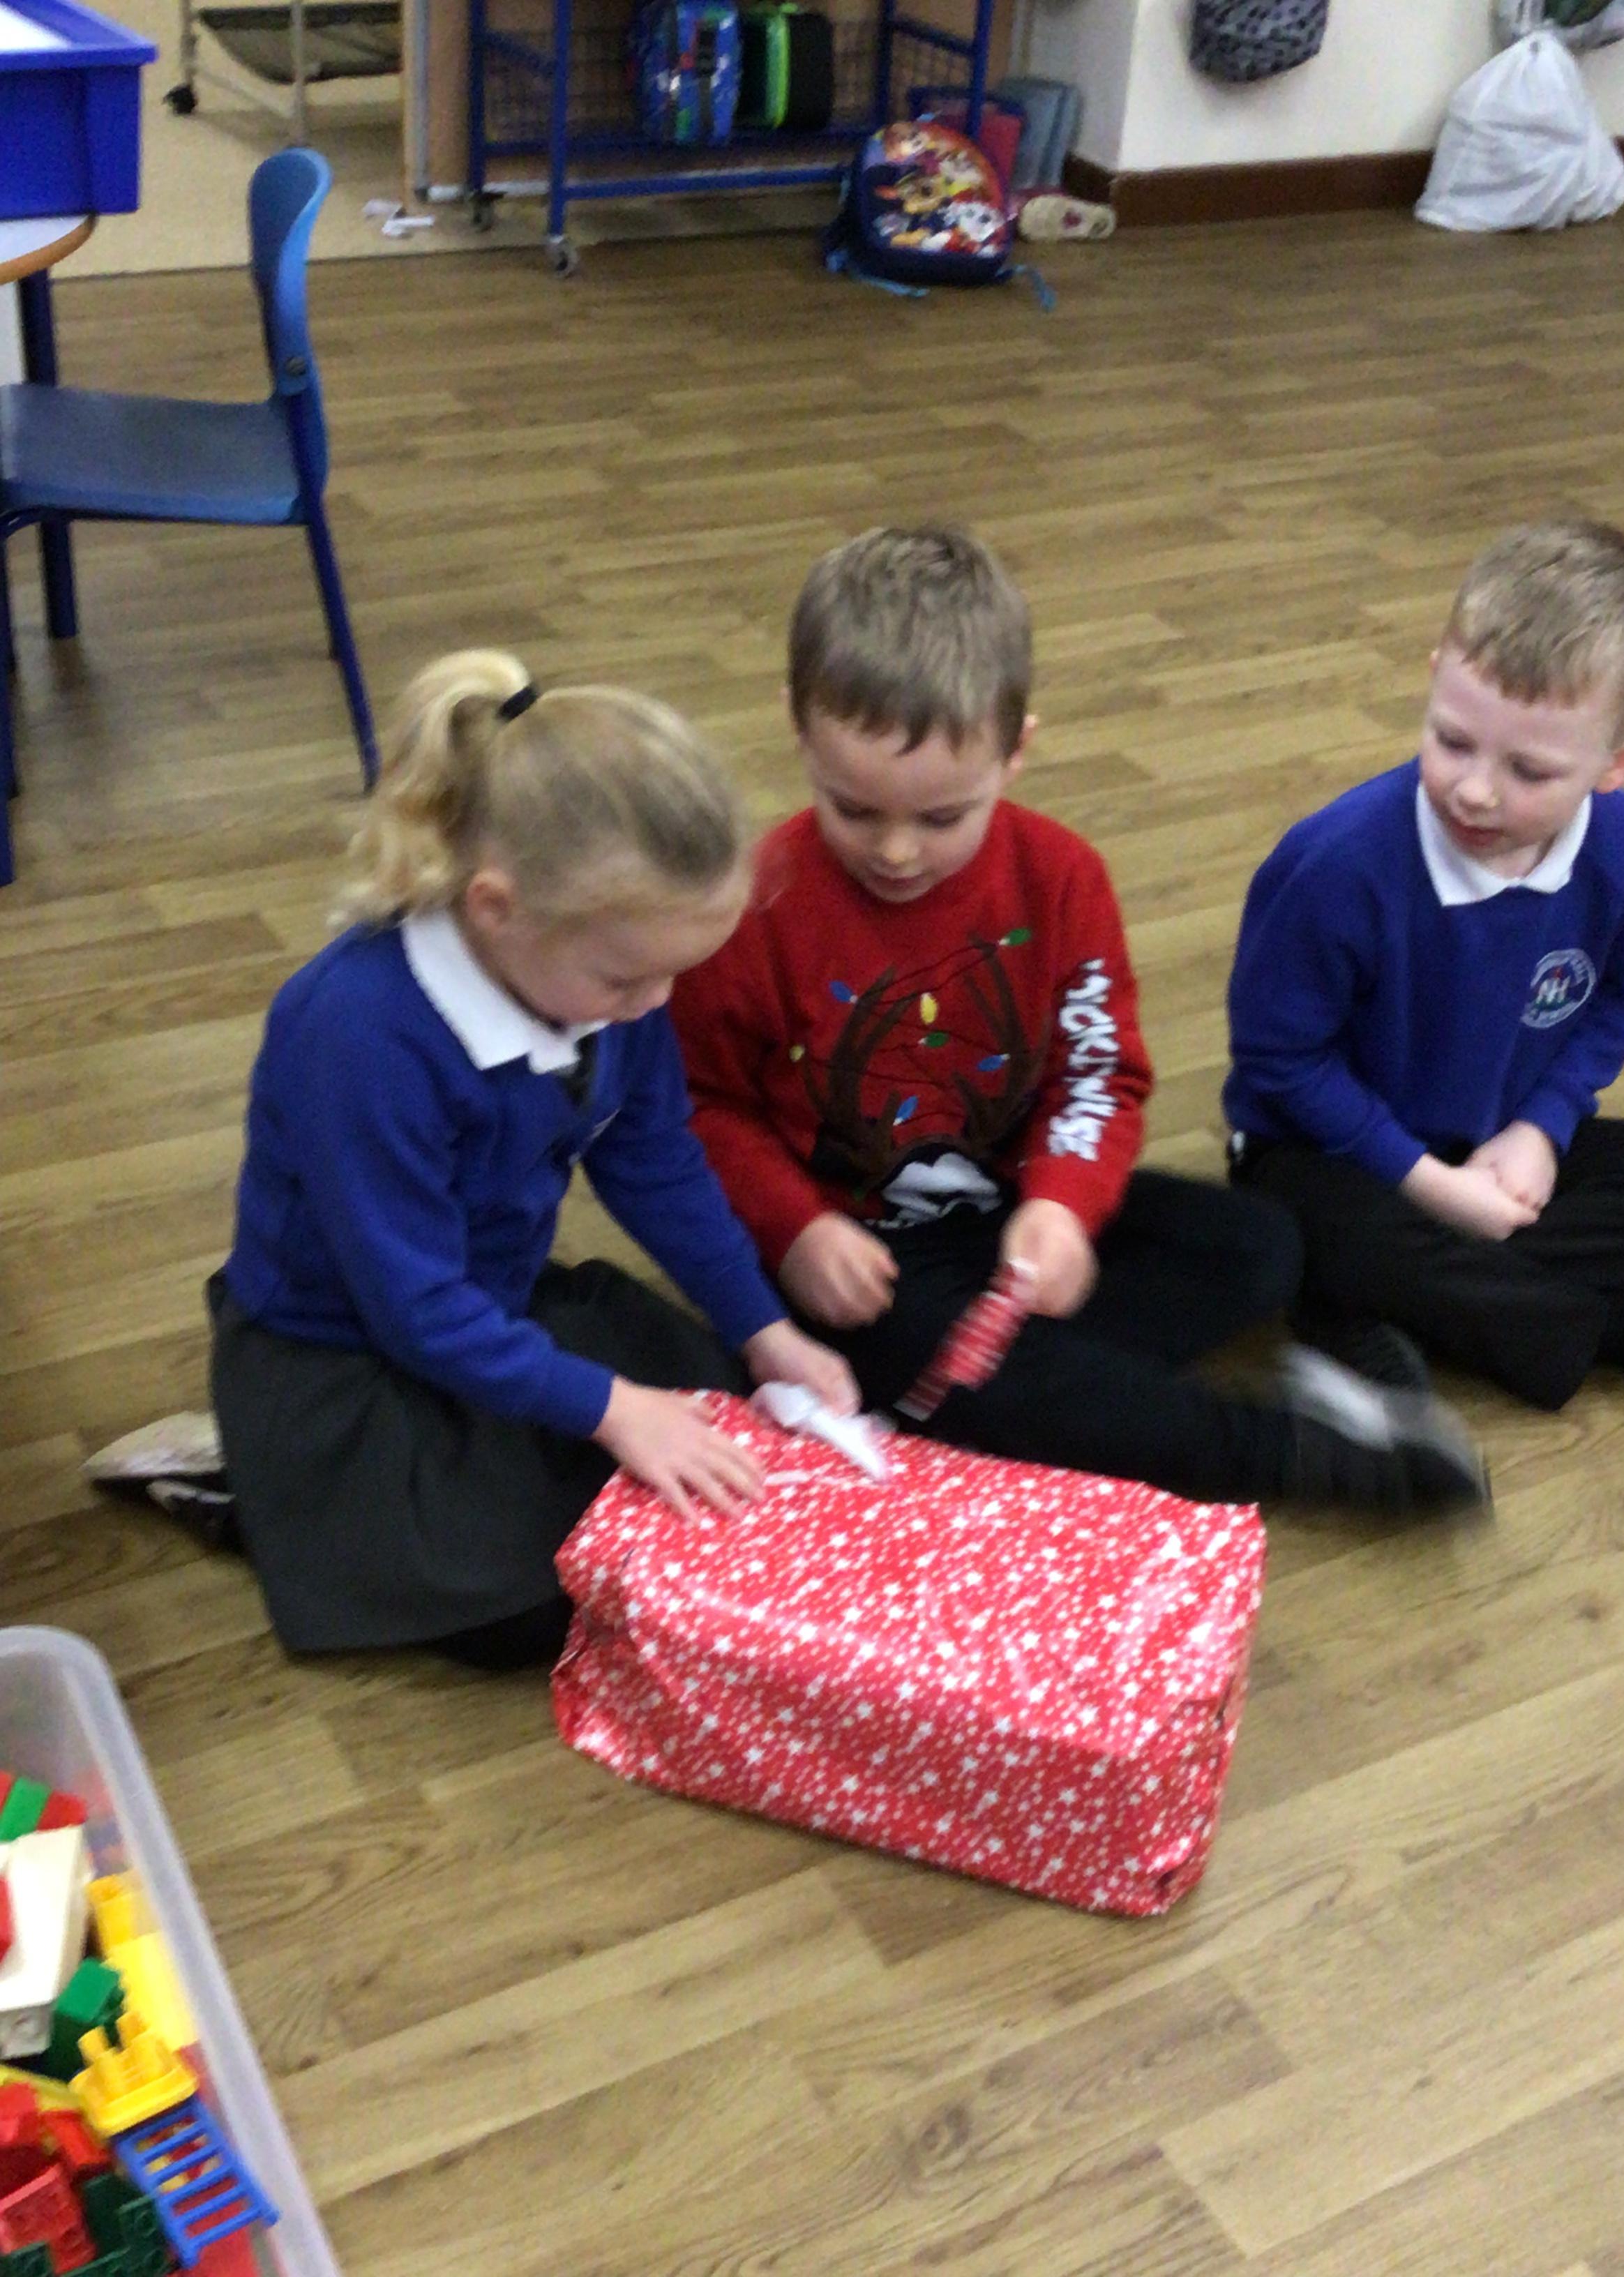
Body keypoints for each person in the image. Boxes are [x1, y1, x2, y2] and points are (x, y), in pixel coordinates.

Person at [670, 525, 1487, 1514]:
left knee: (1260, 1248)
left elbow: (1096, 1075)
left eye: (941, 818)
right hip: (863, 1262)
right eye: (855, 810)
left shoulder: (1061, 879)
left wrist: (1063, 1205)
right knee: (947, 1356)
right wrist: (796, 1230)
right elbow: (700, 1109)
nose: (896, 853)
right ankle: (1284, 1452)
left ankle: (999, 1399)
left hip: (1010, 1220)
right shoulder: (752, 906)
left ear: (1017, 749)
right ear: (799, 731)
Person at [209, 651, 855, 1667]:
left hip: (487, 1302)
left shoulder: (609, 974)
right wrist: (614, 1410)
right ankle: (257, 1489)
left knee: (725, 1413)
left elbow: (655, 1159)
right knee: (532, 1599)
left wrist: (763, 1326)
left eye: (672, 977)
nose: (655, 1006)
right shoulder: (354, 1033)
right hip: (344, 1353)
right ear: (495, 907)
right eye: (627, 980)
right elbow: (414, 1307)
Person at [1224, 516, 1624, 1412]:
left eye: (1529, 770)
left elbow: (1623, 992)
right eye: (1452, 741)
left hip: (1495, 1137)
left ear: (1619, 764)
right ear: (1434, 677)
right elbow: (1279, 1063)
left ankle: (1390, 1303)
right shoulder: (1334, 865)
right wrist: (1431, 1187)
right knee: (1308, 1233)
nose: (1476, 790)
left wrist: (1542, 1129)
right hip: (1333, 1154)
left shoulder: (1621, 849)